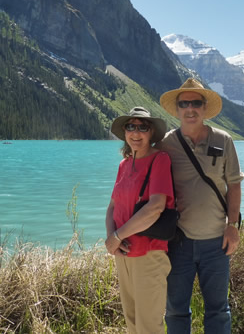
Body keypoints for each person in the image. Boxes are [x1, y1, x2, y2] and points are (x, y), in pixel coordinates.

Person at [157, 78, 244, 333]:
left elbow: (235, 185)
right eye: (184, 103)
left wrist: (233, 226)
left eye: (196, 103)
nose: (190, 108)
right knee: (175, 310)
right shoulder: (165, 144)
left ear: (204, 108)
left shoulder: (224, 140)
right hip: (178, 242)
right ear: (177, 109)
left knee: (218, 310)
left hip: (217, 242)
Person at [104, 106, 175, 334]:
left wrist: (117, 236)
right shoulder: (124, 165)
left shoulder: (159, 160)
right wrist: (111, 240)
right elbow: (112, 207)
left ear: (151, 132)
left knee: (149, 325)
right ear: (125, 132)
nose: (136, 133)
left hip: (149, 254)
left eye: (142, 127)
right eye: (131, 127)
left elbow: (156, 207)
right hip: (123, 253)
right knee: (132, 321)